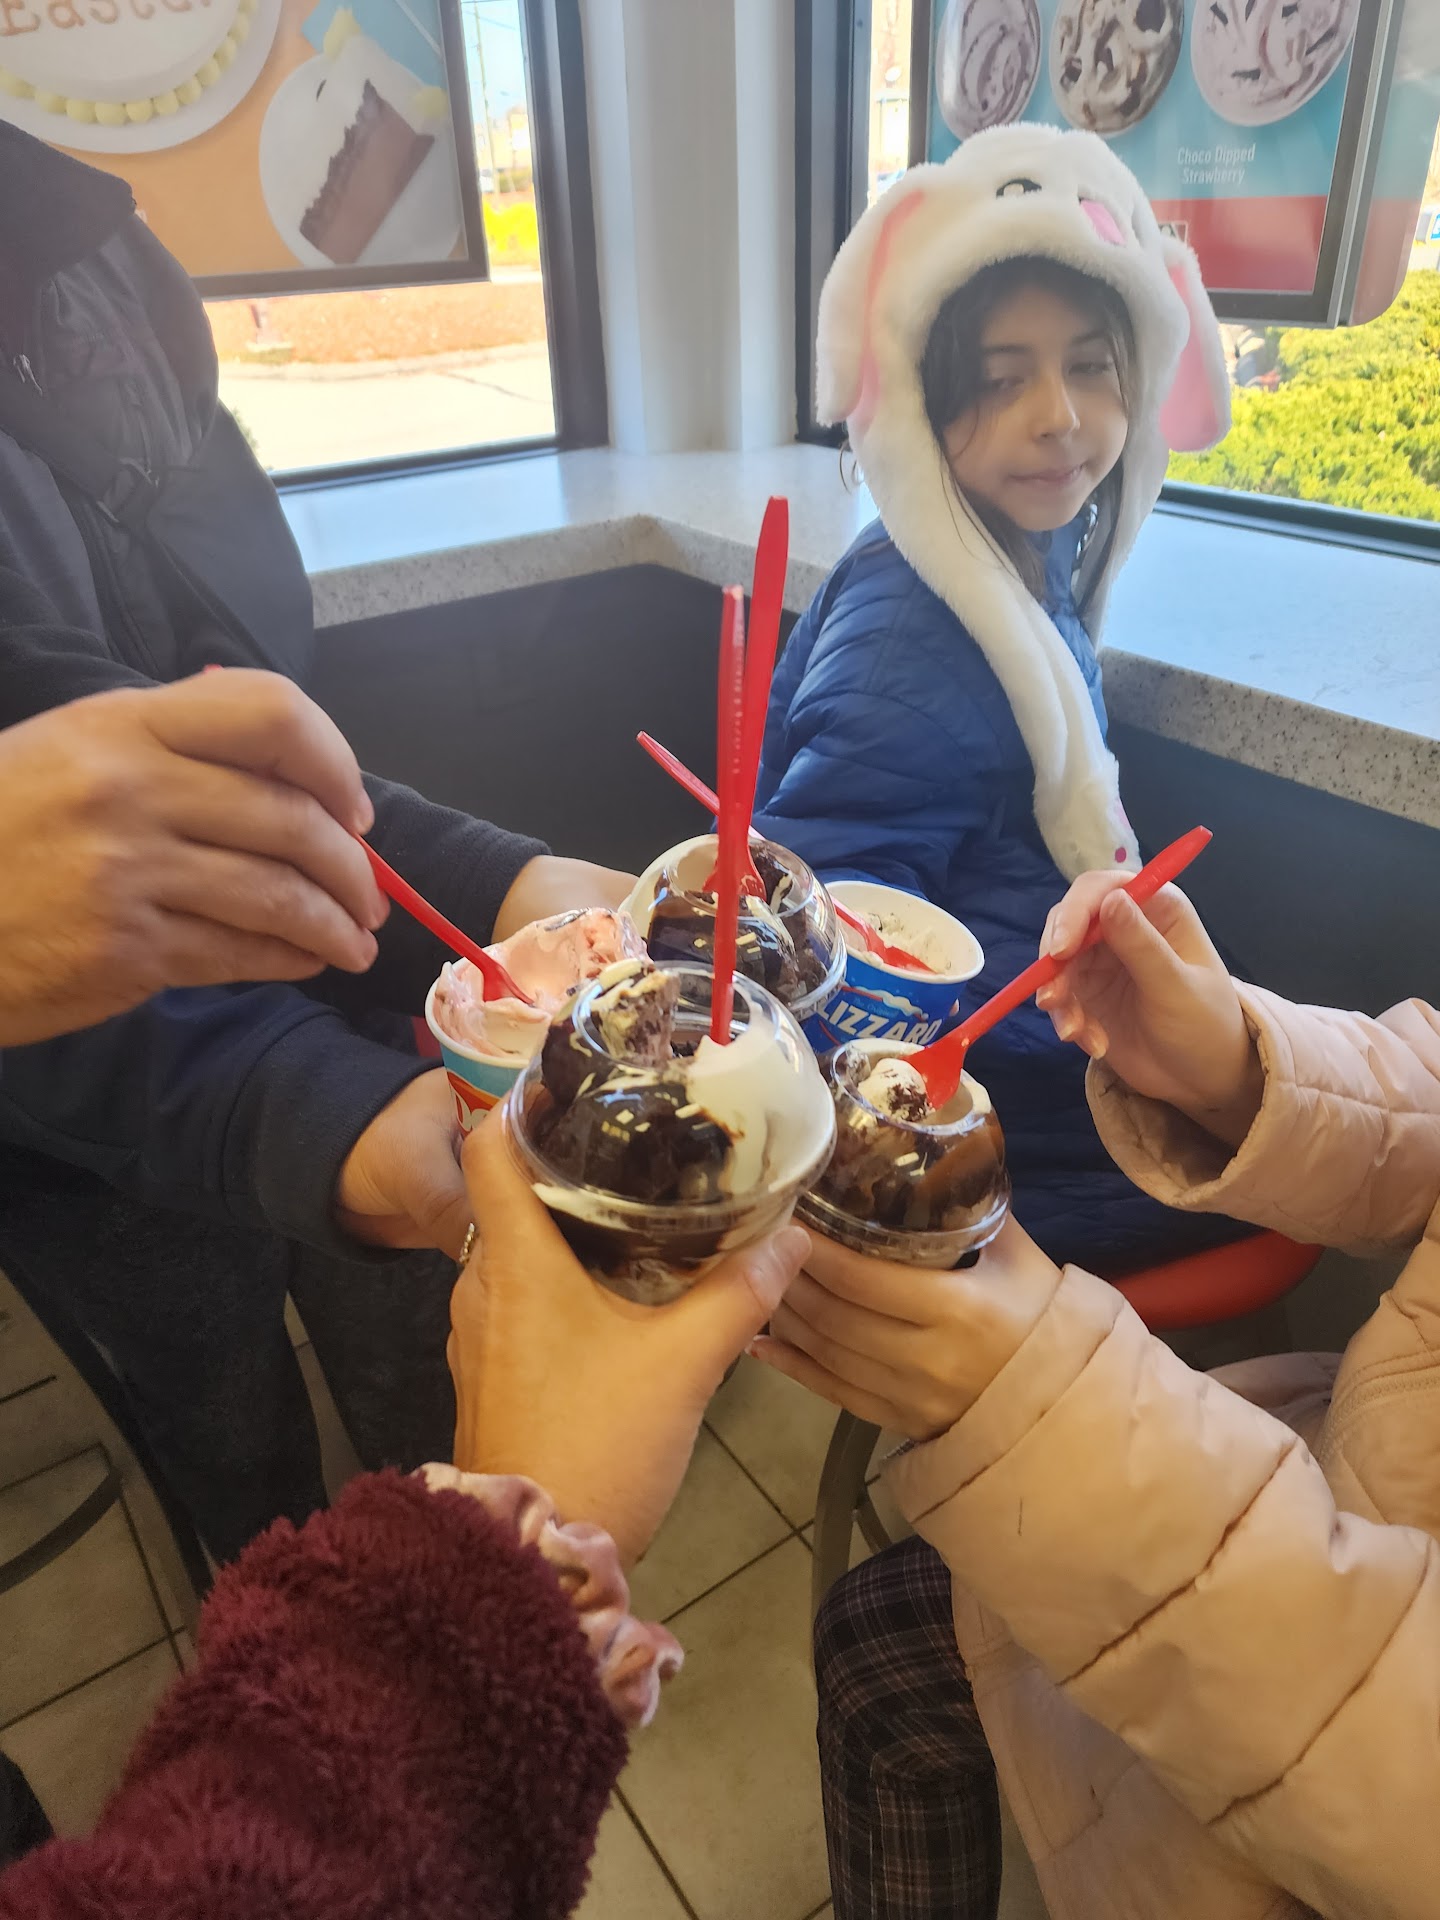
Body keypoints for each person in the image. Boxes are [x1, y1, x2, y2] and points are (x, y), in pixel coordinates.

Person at [0, 123, 628, 1559]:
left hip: (335, 1012)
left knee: (418, 1371)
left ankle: (426, 1562)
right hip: (89, 1150)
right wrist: (330, 1118)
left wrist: (508, 884)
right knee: (228, 1425)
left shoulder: (96, 244)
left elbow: (214, 724)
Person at [756, 865, 1440, 1920]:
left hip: (1313, 1769)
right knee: (869, 1644)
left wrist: (1042, 1412)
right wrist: (1240, 1069)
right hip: (1302, 1495)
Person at [0, 1118, 812, 1915]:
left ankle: (339, 1564)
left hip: (360, 1094)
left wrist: (320, 1093)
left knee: (402, 1366)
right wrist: (492, 1573)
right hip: (84, 1161)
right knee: (226, 1420)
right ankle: (271, 1586)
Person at [752, 121, 1242, 1273]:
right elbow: (832, 964)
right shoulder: (916, 642)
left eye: (1090, 365)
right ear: (917, 404)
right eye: (1001, 378)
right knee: (1272, 1154)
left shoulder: (1018, 550)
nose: (1058, 415)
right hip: (1002, 1125)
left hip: (1039, 1033)